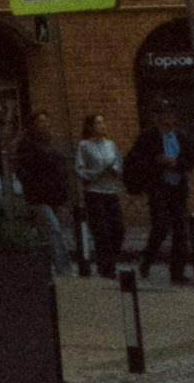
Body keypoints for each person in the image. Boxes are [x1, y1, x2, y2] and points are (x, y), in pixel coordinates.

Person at [125, 111, 194, 281]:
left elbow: (189, 160)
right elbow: (136, 160)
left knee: (180, 230)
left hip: (177, 188)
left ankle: (177, 271)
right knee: (161, 226)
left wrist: (176, 163)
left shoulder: (181, 137)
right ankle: (147, 260)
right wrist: (156, 162)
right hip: (158, 188)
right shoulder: (148, 137)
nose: (168, 120)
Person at [16, 111, 72, 275]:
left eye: (47, 121)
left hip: (52, 193)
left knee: (44, 233)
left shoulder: (50, 143)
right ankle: (64, 268)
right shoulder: (27, 144)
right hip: (38, 194)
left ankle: (42, 267)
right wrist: (31, 184)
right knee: (53, 228)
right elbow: (23, 168)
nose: (45, 125)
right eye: (41, 122)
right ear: (33, 124)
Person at [74, 109, 125, 276]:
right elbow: (80, 170)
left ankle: (110, 259)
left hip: (111, 191)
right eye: (97, 123)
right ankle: (106, 266)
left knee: (118, 229)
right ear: (90, 126)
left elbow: (119, 165)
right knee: (101, 230)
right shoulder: (84, 146)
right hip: (95, 192)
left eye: (103, 122)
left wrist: (115, 170)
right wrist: (96, 172)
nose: (101, 126)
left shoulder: (111, 144)